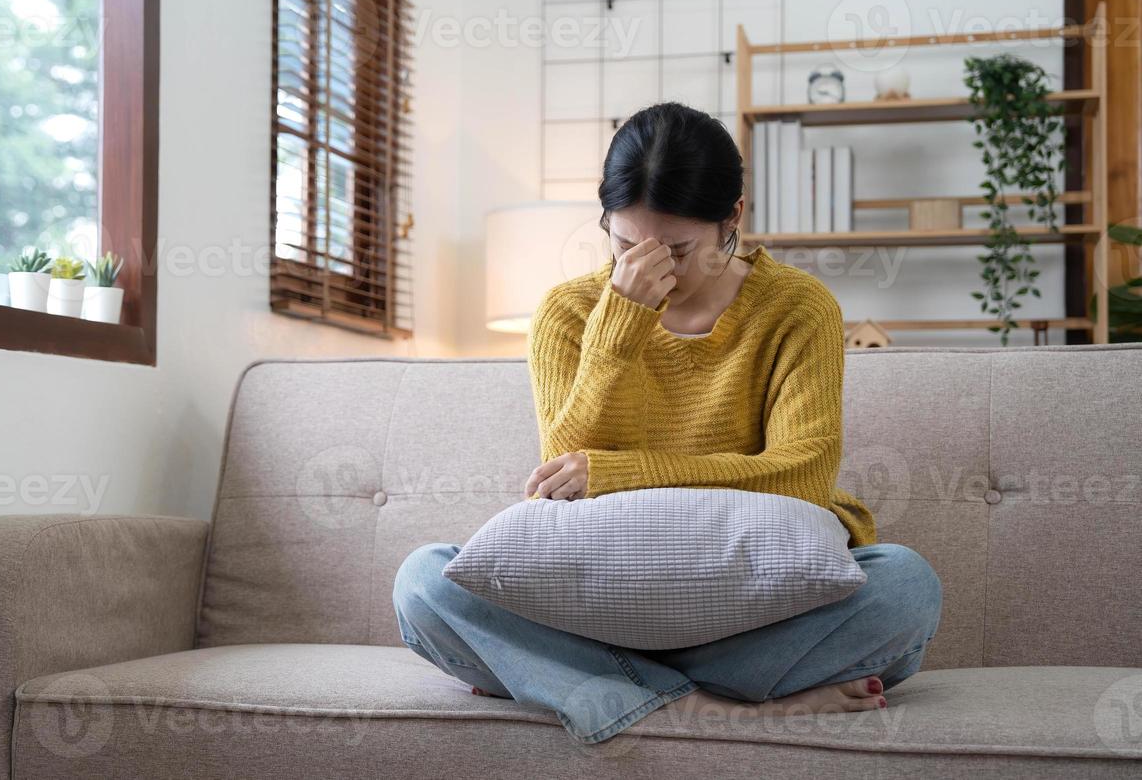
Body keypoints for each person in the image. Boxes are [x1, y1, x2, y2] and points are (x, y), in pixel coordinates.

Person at [393, 101, 942, 745]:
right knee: (424, 582)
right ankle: (716, 707)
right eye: (626, 244)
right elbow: (561, 487)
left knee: (905, 586)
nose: (653, 270)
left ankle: (602, 688)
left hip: (757, 609)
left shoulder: (798, 307)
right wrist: (618, 326)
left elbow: (801, 477)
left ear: (732, 217)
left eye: (678, 249)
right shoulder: (569, 315)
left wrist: (621, 471)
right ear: (605, 221)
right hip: (598, 609)